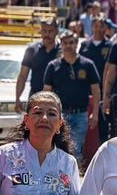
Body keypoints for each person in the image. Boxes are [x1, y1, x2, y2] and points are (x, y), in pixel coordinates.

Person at [43, 31, 100, 162]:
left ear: (77, 44)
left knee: (76, 149)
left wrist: (95, 113)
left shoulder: (88, 65)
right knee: (57, 148)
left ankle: (72, 180)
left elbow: (96, 90)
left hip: (81, 115)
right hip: (59, 115)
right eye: (65, 43)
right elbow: (47, 93)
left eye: (71, 42)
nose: (68, 46)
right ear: (61, 45)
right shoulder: (53, 66)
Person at [16, 20, 60, 114]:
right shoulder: (32, 50)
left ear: (57, 31)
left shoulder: (62, 51)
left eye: (50, 31)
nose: (47, 34)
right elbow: (22, 76)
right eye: (44, 30)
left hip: (57, 97)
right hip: (36, 95)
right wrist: (17, 98)